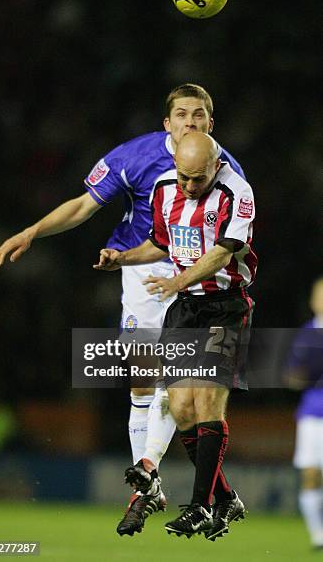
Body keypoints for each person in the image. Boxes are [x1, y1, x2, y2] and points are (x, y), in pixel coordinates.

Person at [0, 83, 246, 537]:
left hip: (196, 281)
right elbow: (84, 206)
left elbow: (234, 243)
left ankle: (147, 478)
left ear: (211, 122)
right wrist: (33, 231)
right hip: (142, 266)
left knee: (181, 392)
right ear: (167, 123)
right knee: (143, 378)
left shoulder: (226, 171)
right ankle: (170, 485)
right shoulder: (136, 156)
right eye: (183, 115)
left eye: (200, 115)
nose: (192, 122)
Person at [94, 131, 257, 539]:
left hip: (226, 305)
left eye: (196, 179)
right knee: (180, 408)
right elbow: (159, 242)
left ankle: (200, 506)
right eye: (183, 176)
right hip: (185, 309)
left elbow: (223, 251)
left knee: (207, 402)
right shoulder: (166, 188)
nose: (187, 185)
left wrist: (178, 279)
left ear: (215, 167)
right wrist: (123, 258)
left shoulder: (237, 192)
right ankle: (226, 499)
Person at [283, 277, 323, 551]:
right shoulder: (307, 334)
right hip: (313, 413)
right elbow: (292, 377)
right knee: (311, 474)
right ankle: (318, 534)